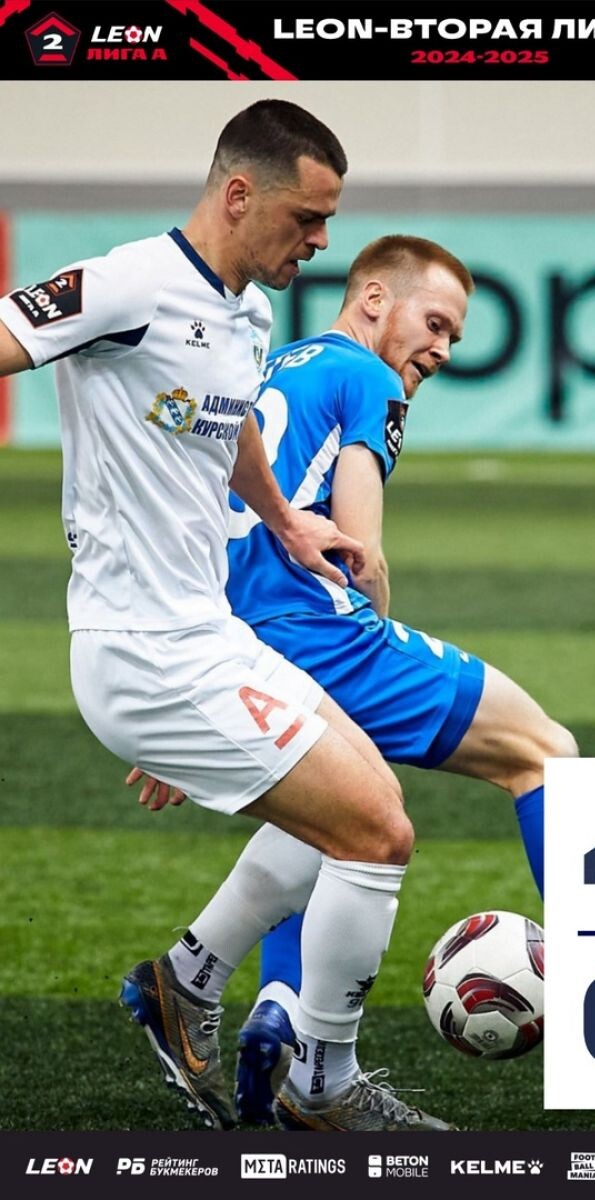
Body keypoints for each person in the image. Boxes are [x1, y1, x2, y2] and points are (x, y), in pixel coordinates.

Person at [0, 100, 453, 1133]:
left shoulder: (247, 313)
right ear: (239, 194)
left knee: (362, 794)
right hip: (141, 650)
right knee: (378, 832)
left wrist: (287, 521)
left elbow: (232, 423)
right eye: (308, 217)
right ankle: (324, 1087)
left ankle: (185, 980)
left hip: (205, 636)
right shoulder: (126, 285)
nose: (322, 241)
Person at [139, 234, 578, 1124]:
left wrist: (194, 681)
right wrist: (373, 612)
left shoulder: (276, 364)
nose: (442, 350)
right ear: (374, 298)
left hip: (233, 635)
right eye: (436, 323)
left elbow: (201, 520)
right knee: (542, 751)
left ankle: (210, 981)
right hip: (318, 632)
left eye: (454, 338)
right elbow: (359, 546)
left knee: (335, 807)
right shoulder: (369, 378)